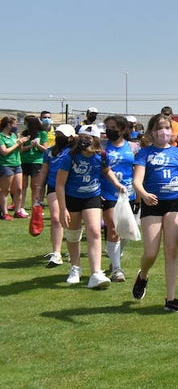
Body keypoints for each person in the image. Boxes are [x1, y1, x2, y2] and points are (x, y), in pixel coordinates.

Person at [132, 114, 178, 312]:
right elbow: (137, 181)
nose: (164, 132)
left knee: (172, 251)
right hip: (152, 204)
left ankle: (171, 299)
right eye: (160, 128)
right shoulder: (144, 153)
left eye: (167, 128)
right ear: (152, 131)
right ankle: (143, 276)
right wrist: (144, 194)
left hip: (173, 204)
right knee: (151, 252)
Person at [56, 130, 127, 289]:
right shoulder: (70, 157)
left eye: (92, 153)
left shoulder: (101, 155)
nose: (90, 156)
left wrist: (117, 184)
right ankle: (75, 267)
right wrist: (62, 209)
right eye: (87, 153)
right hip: (72, 197)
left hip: (92, 196)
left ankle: (96, 273)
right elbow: (60, 184)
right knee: (73, 234)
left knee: (94, 231)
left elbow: (106, 170)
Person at [101, 114, 137, 283]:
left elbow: (138, 169)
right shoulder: (102, 146)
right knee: (113, 229)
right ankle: (116, 269)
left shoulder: (133, 147)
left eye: (114, 128)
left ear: (123, 130)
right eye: (108, 127)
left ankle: (116, 256)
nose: (110, 131)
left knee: (128, 230)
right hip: (107, 192)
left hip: (129, 193)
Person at [41, 124, 76, 268]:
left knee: (71, 221)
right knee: (56, 218)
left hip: (72, 188)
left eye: (63, 135)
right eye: (58, 134)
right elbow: (44, 172)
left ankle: (71, 248)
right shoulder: (49, 152)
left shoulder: (75, 152)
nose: (59, 137)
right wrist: (38, 192)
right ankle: (56, 253)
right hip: (54, 187)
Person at [0, 116, 30, 221]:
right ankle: (5, 213)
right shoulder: (1, 137)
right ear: (8, 124)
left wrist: (22, 142)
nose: (16, 126)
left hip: (17, 164)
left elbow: (19, 151)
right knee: (5, 190)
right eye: (15, 124)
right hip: (5, 165)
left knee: (19, 189)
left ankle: (18, 211)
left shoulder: (13, 135)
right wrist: (17, 143)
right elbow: (4, 152)